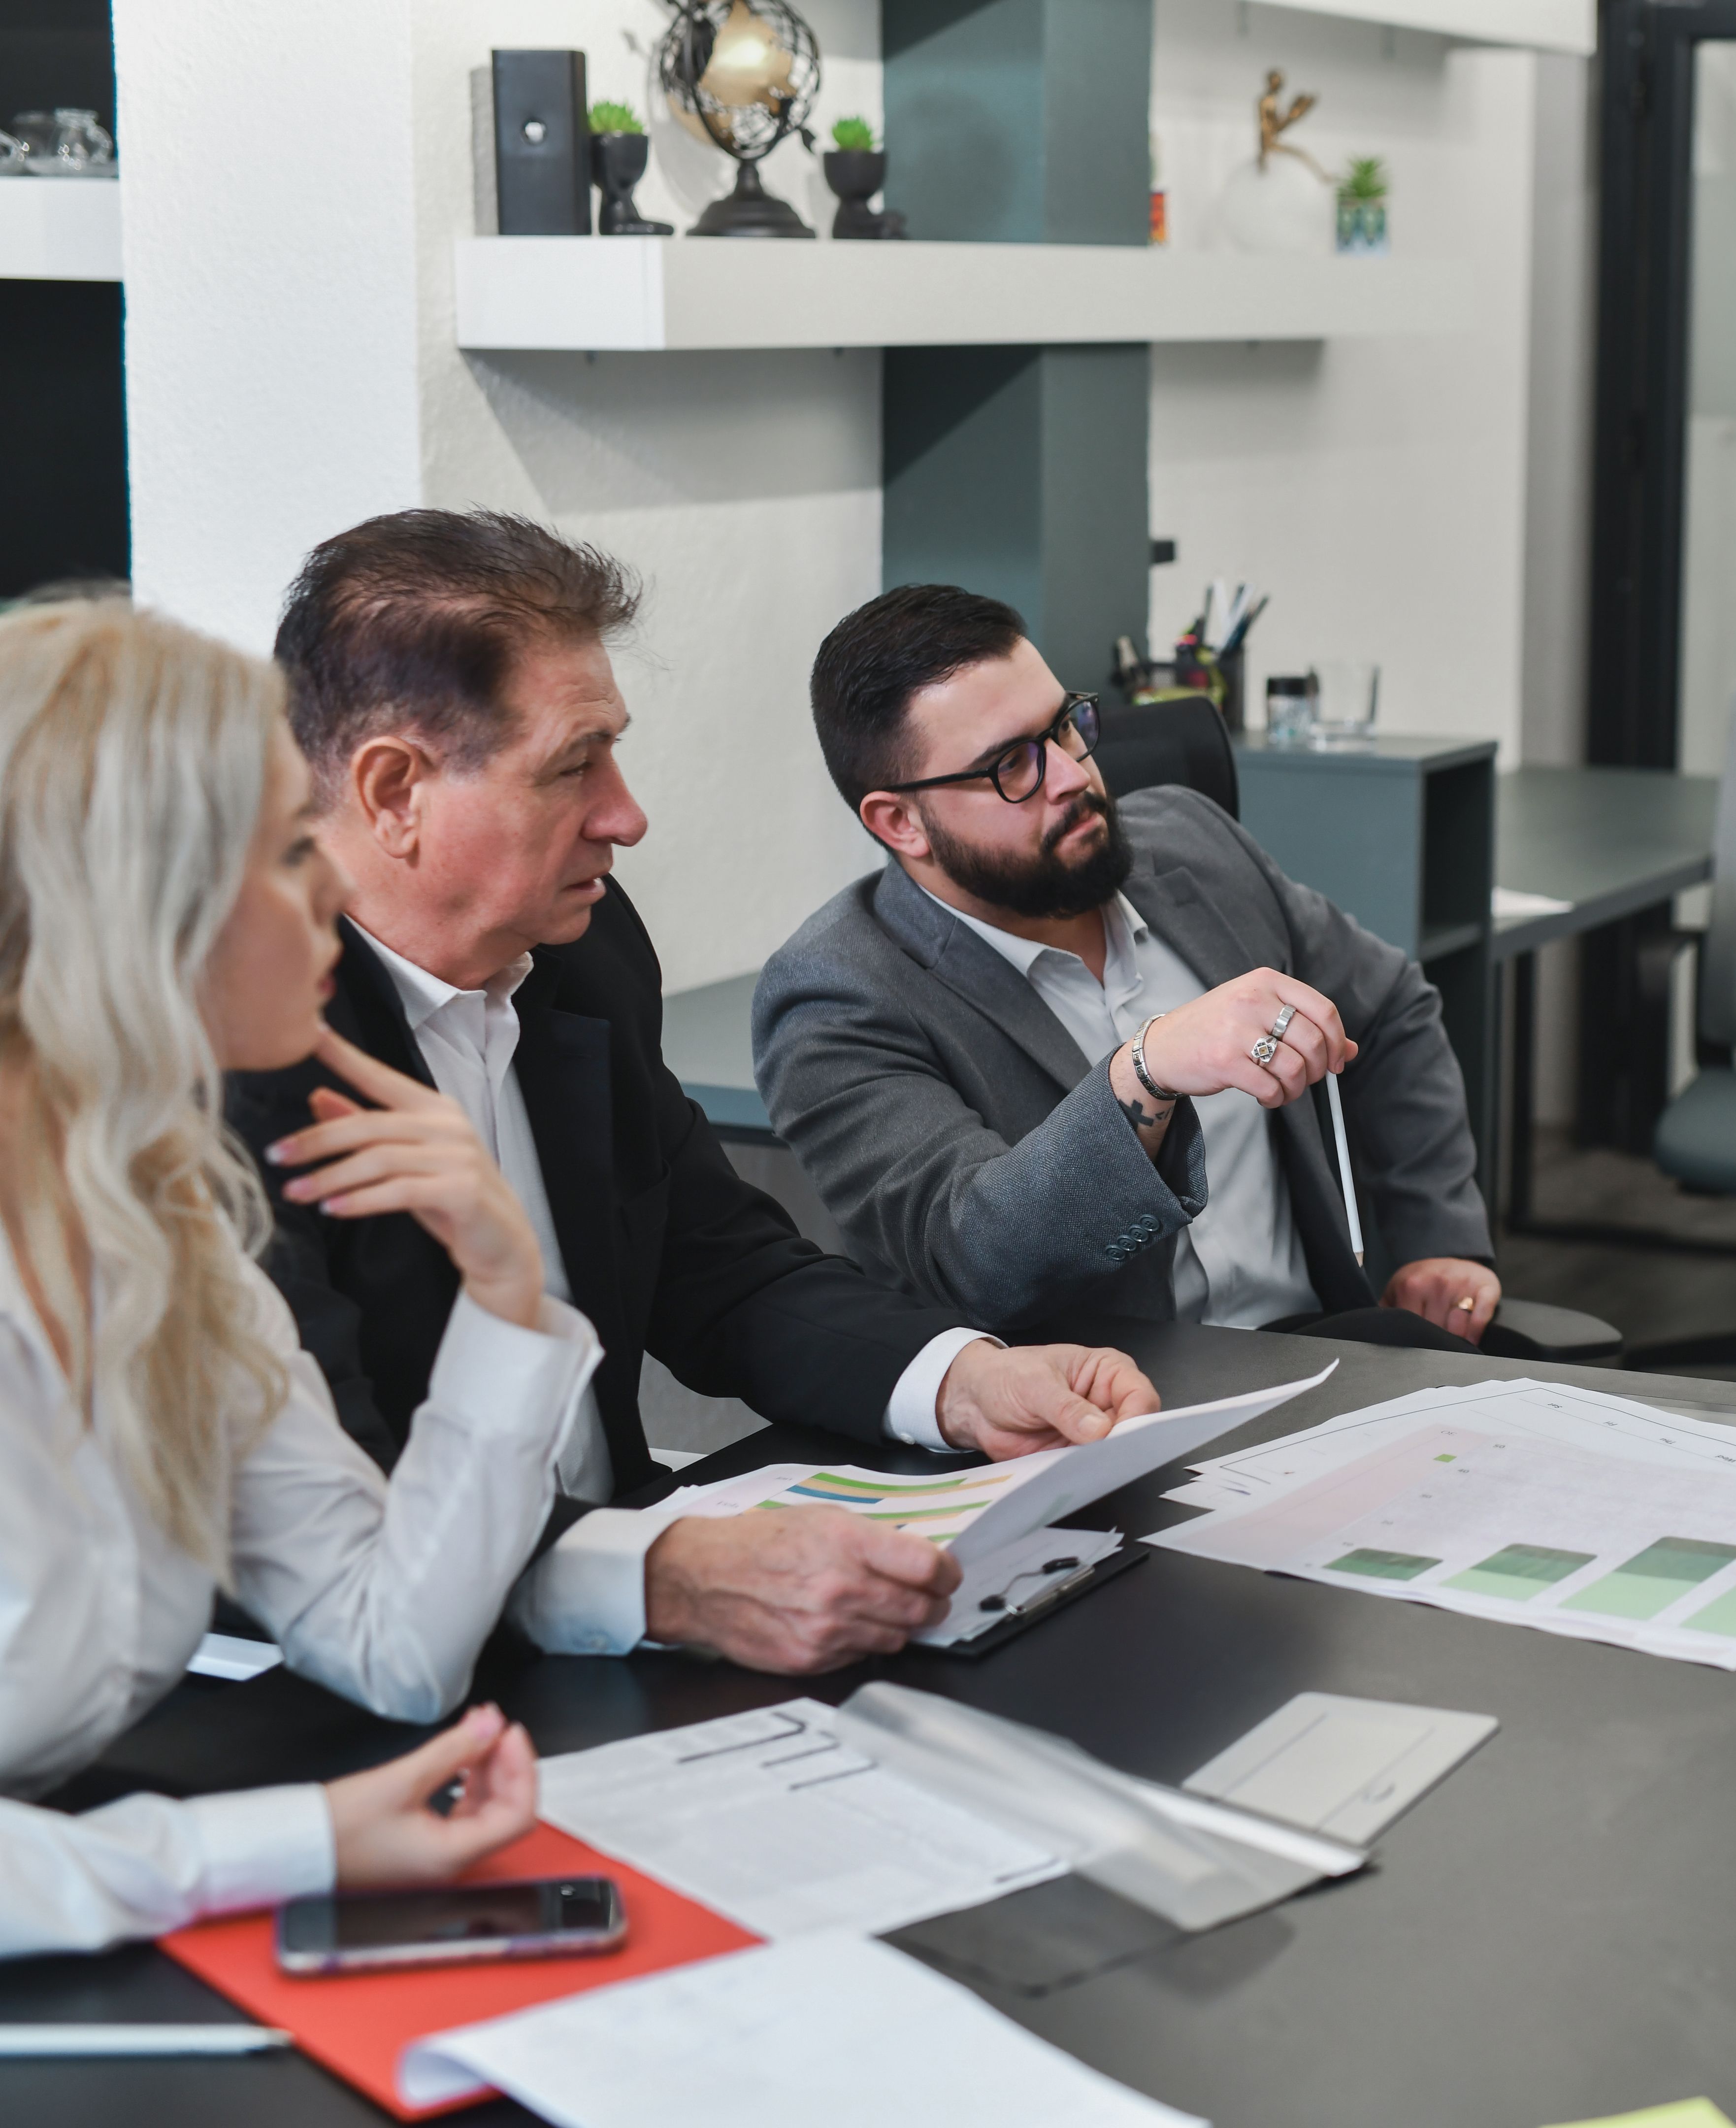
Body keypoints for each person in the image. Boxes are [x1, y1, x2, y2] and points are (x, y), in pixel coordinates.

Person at [228, 512, 1164, 1679]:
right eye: (576, 763)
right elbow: (321, 1539)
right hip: (348, 1693)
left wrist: (965, 1380)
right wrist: (662, 1576)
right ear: (394, 791)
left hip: (608, 1621)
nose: (627, 815)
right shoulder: (240, 1052)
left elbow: (721, 1267)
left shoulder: (586, 951)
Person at [1, 599, 600, 1955]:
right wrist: (277, 1847)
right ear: (132, 901)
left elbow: (393, 1643)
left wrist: (506, 1290)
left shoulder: (166, 1237)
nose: (335, 884)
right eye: (285, 848)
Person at [751, 584, 1501, 1349]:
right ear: (900, 821)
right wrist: (1146, 1070)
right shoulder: (837, 997)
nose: (1075, 775)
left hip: (1326, 1350)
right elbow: (973, 1259)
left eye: (1065, 727)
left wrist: (1437, 1234)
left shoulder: (1189, 844)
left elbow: (1391, 1009)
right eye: (1014, 764)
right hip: (1103, 1414)